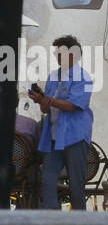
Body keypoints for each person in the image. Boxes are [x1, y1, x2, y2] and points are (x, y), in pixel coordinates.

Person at [30, 35, 95, 211]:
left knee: (76, 183)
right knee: (48, 178)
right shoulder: (53, 76)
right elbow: (46, 108)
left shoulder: (85, 78)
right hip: (53, 136)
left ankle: (79, 223)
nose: (56, 56)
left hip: (75, 136)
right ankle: (54, 220)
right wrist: (40, 99)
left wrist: (48, 100)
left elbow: (73, 105)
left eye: (59, 53)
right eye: (56, 53)